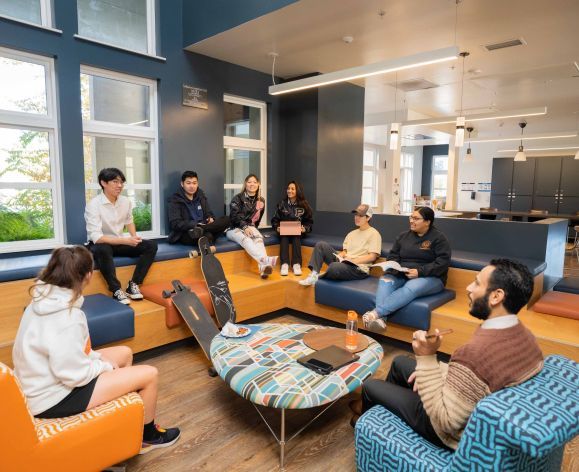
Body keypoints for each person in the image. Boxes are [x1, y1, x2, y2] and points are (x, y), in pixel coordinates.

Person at [352, 259, 543, 451]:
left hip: (447, 432)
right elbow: (478, 380)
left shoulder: (475, 353)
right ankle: (377, 414)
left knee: (370, 386)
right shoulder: (526, 337)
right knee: (400, 362)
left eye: (476, 283)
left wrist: (426, 360)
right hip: (472, 405)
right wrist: (439, 371)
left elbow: (445, 422)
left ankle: (367, 425)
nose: (468, 288)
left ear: (496, 296)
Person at [12, 246, 180, 454]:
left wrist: (101, 363)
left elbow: (72, 356)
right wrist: (105, 367)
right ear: (89, 276)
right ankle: (148, 437)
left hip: (43, 382)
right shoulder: (66, 318)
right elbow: (73, 374)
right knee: (150, 375)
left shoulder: (42, 299)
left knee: (125, 353)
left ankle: (123, 423)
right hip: (52, 398)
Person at [363, 207, 451, 331]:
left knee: (412, 287)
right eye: (411, 217)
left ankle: (376, 313)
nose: (411, 221)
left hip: (431, 277)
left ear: (427, 222)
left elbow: (443, 263)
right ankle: (380, 321)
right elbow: (393, 256)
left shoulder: (439, 238)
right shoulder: (403, 236)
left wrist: (420, 272)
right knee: (385, 281)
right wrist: (396, 269)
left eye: (416, 218)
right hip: (403, 273)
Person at [85, 168, 157, 305]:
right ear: (103, 183)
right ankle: (116, 290)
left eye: (121, 182)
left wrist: (134, 238)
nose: (120, 185)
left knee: (151, 245)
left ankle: (133, 284)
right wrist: (125, 240)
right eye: (115, 181)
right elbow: (97, 237)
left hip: (119, 242)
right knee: (102, 248)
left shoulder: (125, 201)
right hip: (101, 244)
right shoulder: (93, 204)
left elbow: (129, 221)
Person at [299, 204, 381, 286]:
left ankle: (319, 278)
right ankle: (314, 274)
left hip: (358, 269)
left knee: (334, 267)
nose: (356, 217)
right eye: (356, 215)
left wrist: (353, 261)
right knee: (320, 245)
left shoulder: (374, 234)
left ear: (368, 217)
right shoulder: (351, 234)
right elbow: (345, 251)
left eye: (360, 215)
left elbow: (372, 257)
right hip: (345, 263)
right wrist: (341, 255)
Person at [226, 174, 278, 278]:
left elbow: (257, 220)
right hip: (233, 228)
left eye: (254, 182)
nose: (252, 184)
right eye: (249, 182)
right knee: (247, 240)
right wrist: (245, 227)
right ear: (245, 184)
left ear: (258, 184)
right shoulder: (237, 198)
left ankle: (263, 269)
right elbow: (234, 216)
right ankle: (265, 260)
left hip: (250, 227)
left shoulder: (261, 201)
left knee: (259, 239)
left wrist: (253, 230)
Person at [167, 170, 230, 245]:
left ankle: (202, 230)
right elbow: (175, 224)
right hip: (187, 233)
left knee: (226, 219)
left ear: (197, 184)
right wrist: (195, 225)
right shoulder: (175, 200)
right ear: (182, 184)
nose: (192, 186)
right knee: (207, 236)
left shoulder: (201, 196)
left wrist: (210, 218)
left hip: (204, 229)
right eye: (188, 183)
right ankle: (203, 233)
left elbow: (209, 213)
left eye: (194, 183)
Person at [271, 180, 313, 276]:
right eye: (288, 188)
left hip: (298, 233)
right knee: (284, 235)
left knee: (296, 235)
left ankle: (296, 264)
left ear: (297, 191)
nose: (289, 191)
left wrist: (305, 228)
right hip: (284, 232)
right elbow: (274, 220)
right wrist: (277, 227)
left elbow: (309, 223)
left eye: (292, 189)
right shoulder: (282, 204)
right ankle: (284, 264)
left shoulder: (304, 205)